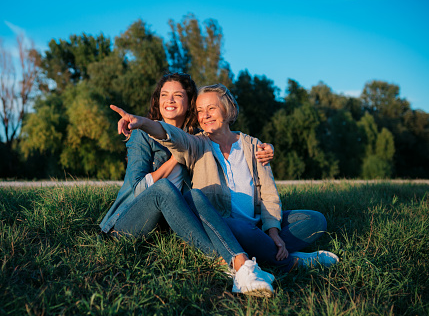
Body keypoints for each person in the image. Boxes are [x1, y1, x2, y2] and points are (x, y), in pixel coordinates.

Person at [111, 83, 339, 274]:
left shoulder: (253, 146)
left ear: (228, 110)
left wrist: (274, 232)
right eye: (200, 110)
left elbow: (269, 195)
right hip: (224, 225)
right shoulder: (197, 144)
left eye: (211, 108)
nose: (205, 115)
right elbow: (172, 136)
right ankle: (289, 262)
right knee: (236, 227)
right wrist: (142, 122)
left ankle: (260, 251)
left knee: (316, 221)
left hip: (256, 225)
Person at [100, 73, 276, 297]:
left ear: (189, 102)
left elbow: (231, 141)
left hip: (171, 227)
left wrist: (265, 148)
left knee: (194, 196)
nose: (169, 100)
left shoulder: (197, 139)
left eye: (177, 95)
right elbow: (138, 189)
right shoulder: (142, 136)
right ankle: (234, 263)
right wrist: (177, 156)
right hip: (127, 223)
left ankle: (258, 260)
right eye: (164, 95)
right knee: (164, 189)